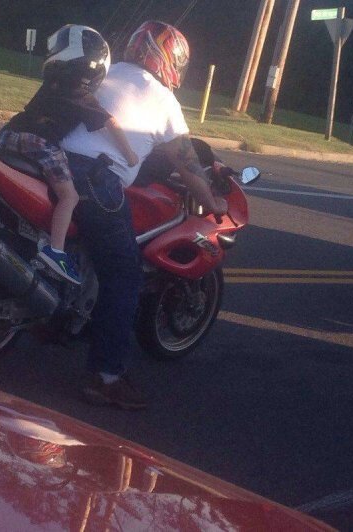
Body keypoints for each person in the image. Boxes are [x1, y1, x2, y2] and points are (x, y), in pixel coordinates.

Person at [59, 20, 227, 409]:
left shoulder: (106, 72)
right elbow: (188, 165)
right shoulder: (163, 100)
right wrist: (213, 202)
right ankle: (107, 377)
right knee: (125, 275)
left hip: (51, 160)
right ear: (171, 60)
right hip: (93, 179)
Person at [0, 25, 138, 285]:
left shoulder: (49, 84)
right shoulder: (84, 97)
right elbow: (111, 123)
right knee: (69, 196)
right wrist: (130, 155)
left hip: (10, 132)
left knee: (1, 176)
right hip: (40, 142)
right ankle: (55, 251)